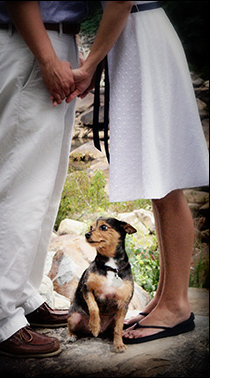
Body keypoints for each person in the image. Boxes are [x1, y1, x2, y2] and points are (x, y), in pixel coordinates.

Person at [67, 1, 209, 343]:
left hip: (141, 40)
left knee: (165, 183)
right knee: (158, 184)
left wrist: (89, 64)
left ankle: (176, 306)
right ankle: (166, 297)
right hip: (138, 38)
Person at [0, 1, 88, 357]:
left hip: (52, 41)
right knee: (14, 187)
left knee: (41, 188)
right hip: (31, 44)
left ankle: (21, 295)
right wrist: (48, 58)